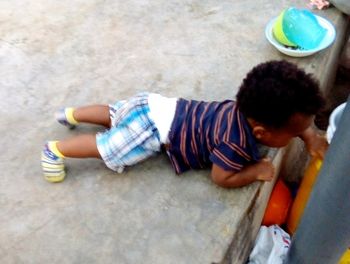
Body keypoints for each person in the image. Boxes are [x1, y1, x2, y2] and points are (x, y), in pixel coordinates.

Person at [41, 60, 327, 188]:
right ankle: (56, 150)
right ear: (262, 133)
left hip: (154, 105)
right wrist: (254, 171)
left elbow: (293, 117)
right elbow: (221, 178)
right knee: (107, 147)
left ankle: (72, 114)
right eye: (292, 134)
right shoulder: (235, 144)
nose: (296, 136)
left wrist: (309, 135)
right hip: (149, 131)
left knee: (115, 113)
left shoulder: (243, 108)